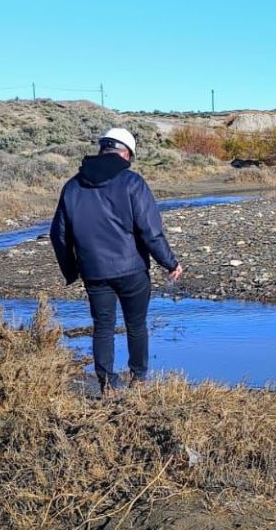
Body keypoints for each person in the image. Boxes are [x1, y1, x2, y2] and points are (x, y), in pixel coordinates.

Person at [49, 128, 184, 393]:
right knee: (136, 326)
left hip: (94, 272)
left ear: (102, 149)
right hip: (132, 270)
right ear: (126, 154)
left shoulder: (73, 186)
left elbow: (58, 235)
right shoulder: (132, 182)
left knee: (103, 327)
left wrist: (72, 270)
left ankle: (107, 385)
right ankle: (138, 380)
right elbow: (150, 231)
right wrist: (170, 263)